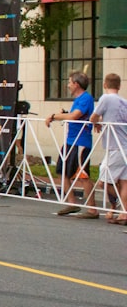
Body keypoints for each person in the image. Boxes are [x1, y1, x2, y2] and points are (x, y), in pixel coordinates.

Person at [46, 70, 97, 218]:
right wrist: (64, 113)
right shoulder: (78, 100)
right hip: (70, 140)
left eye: (69, 82)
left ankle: (92, 209)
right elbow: (74, 114)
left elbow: (75, 116)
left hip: (81, 142)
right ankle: (72, 202)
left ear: (76, 84)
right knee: (63, 172)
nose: (68, 85)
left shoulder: (86, 98)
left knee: (83, 175)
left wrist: (54, 116)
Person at [89, 73, 127, 225]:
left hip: (115, 147)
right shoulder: (124, 102)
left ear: (105, 84)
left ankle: (120, 208)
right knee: (124, 182)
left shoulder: (106, 98)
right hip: (124, 145)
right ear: (119, 85)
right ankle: (123, 213)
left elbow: (93, 116)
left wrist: (96, 123)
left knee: (104, 182)